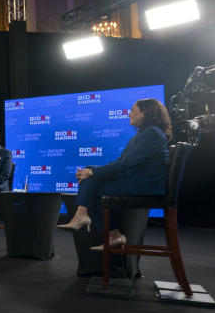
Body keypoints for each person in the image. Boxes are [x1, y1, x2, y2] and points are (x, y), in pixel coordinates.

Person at [58, 98, 172, 250]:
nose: (129, 114)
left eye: (133, 111)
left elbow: (126, 164)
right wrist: (92, 170)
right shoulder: (145, 133)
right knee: (91, 171)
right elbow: (121, 161)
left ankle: (94, 222)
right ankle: (85, 216)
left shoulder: (152, 134)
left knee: (96, 185)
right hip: (138, 179)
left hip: (146, 184)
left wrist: (93, 173)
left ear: (146, 113)